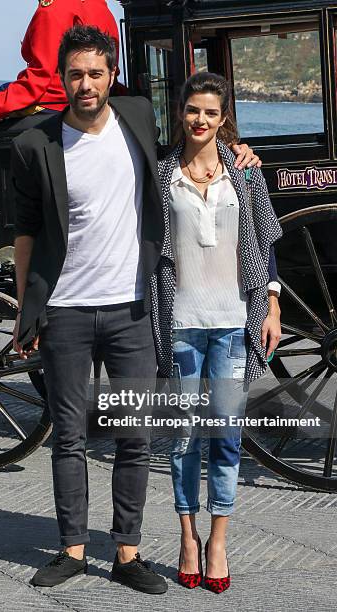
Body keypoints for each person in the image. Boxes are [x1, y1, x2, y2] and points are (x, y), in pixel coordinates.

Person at [11, 25, 261, 593]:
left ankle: (127, 553)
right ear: (62, 78)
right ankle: (72, 549)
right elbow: (24, 232)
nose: (85, 84)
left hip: (131, 310)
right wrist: (26, 312)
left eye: (95, 73)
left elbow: (196, 144)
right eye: (75, 74)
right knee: (69, 435)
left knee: (135, 435)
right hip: (66, 311)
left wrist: (240, 151)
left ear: (110, 75)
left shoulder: (137, 119)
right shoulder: (35, 144)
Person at [151, 71, 283, 593]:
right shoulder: (163, 176)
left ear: (223, 117)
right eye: (191, 110)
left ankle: (219, 540)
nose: (200, 120)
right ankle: (187, 536)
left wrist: (270, 304)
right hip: (181, 323)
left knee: (226, 437)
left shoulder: (245, 176)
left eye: (210, 112)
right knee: (183, 438)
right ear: (180, 113)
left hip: (233, 323)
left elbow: (266, 242)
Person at [0, 0, 121, 226]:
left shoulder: (54, 7)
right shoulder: (100, 5)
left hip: (57, 98)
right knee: (4, 89)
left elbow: (40, 76)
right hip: (75, 95)